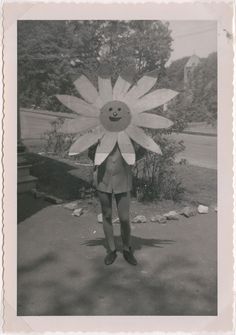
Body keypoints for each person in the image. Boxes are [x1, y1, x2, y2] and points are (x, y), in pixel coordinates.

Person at [88, 142, 144, 266]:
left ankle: (126, 249)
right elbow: (91, 154)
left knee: (124, 218)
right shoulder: (100, 133)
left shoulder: (128, 133)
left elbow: (140, 152)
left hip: (123, 179)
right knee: (106, 215)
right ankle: (112, 250)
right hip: (103, 179)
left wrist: (133, 154)